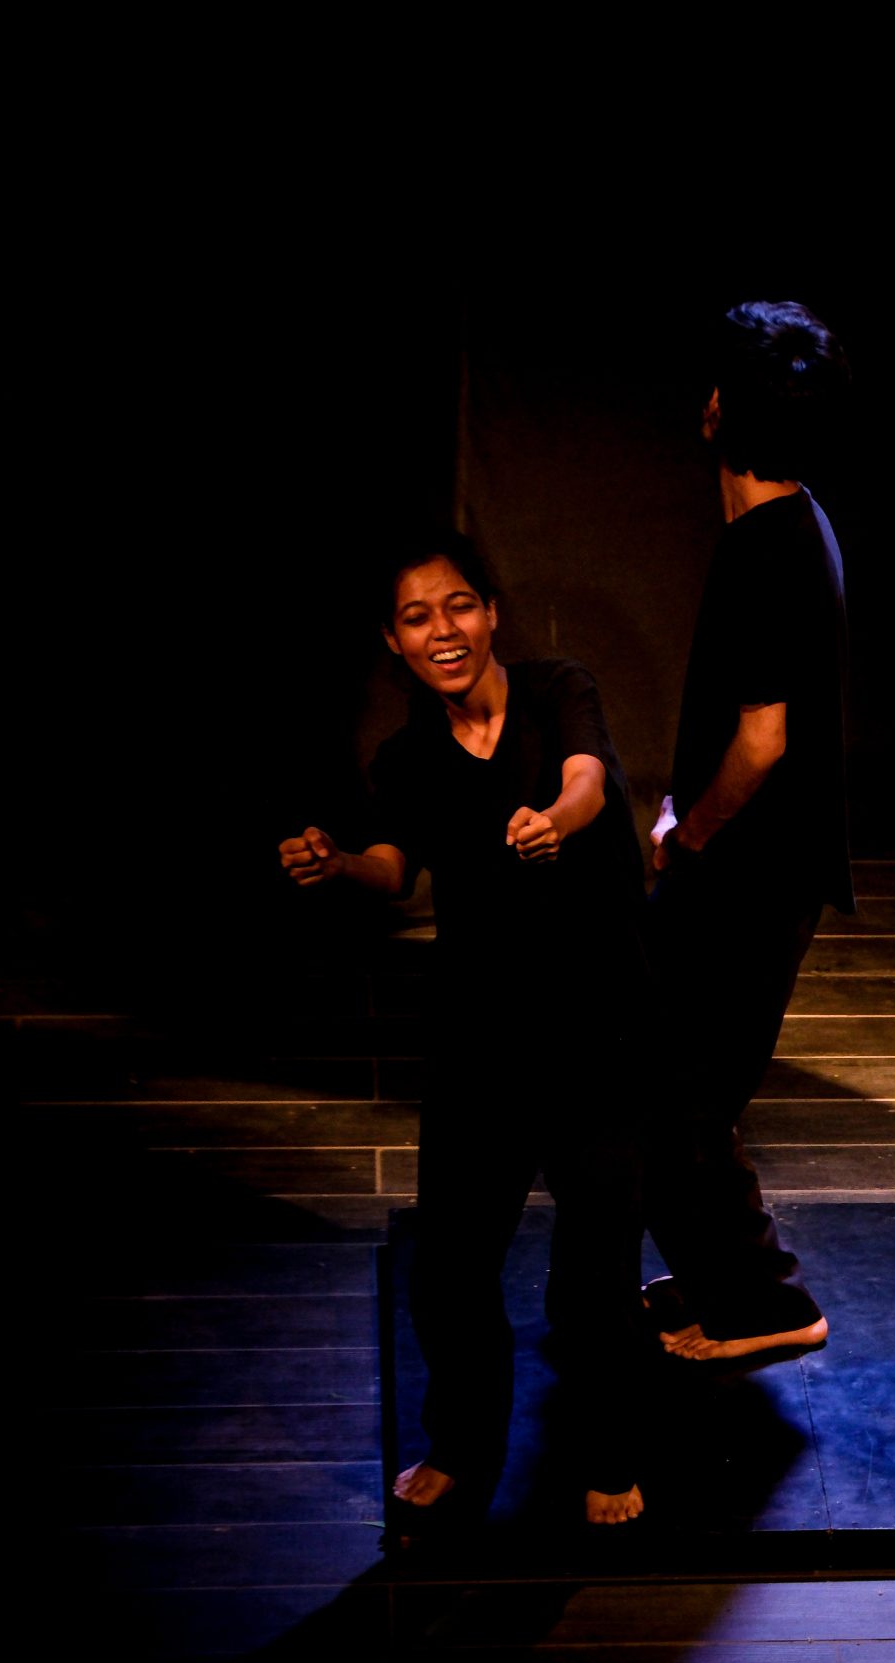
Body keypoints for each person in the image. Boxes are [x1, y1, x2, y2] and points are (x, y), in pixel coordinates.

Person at [279, 536, 648, 1530]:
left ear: (491, 613)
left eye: (457, 607)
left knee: (597, 1260)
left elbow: (589, 778)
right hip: (483, 1027)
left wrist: (555, 820)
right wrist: (338, 863)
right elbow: (395, 865)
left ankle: (608, 1449)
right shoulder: (406, 760)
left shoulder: (557, 688)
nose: (442, 631)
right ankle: (461, 1443)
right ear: (393, 642)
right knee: (449, 1261)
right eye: (416, 617)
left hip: (596, 1019)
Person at [635, 300, 852, 1365]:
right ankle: (724, 1278)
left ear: (720, 409)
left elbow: (763, 742)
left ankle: (765, 1300)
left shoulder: (764, 550)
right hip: (767, 868)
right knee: (680, 1081)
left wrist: (690, 834)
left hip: (750, 873)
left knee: (674, 1089)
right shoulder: (794, 525)